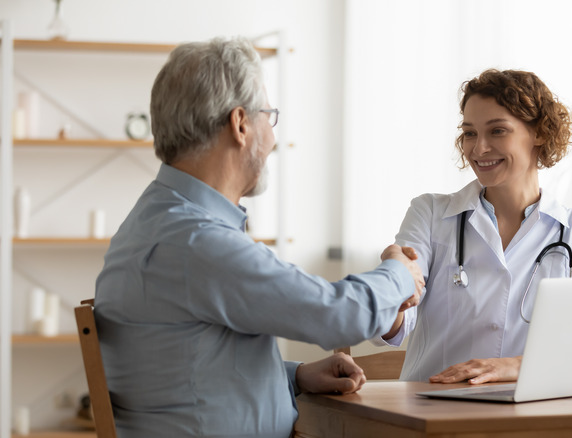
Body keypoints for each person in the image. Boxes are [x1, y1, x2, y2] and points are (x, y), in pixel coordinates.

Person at [94, 37, 424, 438]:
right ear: (240, 124)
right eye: (269, 115)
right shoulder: (197, 242)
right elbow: (338, 316)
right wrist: (399, 272)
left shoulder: (152, 222)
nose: (272, 137)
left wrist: (293, 376)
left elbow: (184, 368)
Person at [376, 69, 572, 383]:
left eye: (497, 131)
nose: (478, 149)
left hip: (533, 417)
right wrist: (393, 292)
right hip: (433, 413)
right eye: (469, 133)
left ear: (540, 133)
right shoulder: (430, 214)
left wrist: (522, 366)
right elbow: (395, 324)